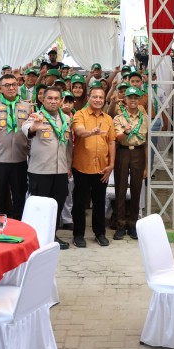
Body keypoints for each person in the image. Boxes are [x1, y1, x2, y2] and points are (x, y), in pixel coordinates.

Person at [23, 85, 72, 249]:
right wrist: (33, 128)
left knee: (56, 205)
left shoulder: (66, 119)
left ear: (61, 101)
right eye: (49, 98)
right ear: (43, 100)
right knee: (39, 207)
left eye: (56, 98)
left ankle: (52, 236)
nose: (53, 101)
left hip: (60, 170)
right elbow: (26, 128)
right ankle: (36, 239)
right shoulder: (36, 116)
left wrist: (68, 166)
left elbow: (68, 146)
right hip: (40, 171)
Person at [0, 73, 32, 219]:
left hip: (19, 159)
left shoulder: (27, 106)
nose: (11, 88)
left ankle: (18, 225)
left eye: (14, 84)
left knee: (19, 197)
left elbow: (31, 131)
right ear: (0, 88)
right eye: (7, 85)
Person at [70, 86, 116, 248]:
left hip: (102, 168)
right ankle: (78, 234)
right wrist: (92, 132)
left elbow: (111, 142)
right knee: (79, 203)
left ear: (104, 100)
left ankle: (100, 233)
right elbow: (79, 131)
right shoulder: (80, 114)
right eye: (95, 97)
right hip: (82, 167)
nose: (98, 100)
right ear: (89, 97)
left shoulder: (108, 119)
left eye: (101, 97)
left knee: (99, 202)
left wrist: (111, 164)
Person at [112, 86, 148, 240]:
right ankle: (120, 224)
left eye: (135, 97)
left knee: (136, 189)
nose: (133, 100)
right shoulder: (118, 118)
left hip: (138, 152)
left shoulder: (144, 118)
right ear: (125, 99)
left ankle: (133, 224)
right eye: (130, 97)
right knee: (120, 189)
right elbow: (118, 138)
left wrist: (146, 166)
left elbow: (146, 143)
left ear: (139, 99)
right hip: (123, 152)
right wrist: (125, 132)